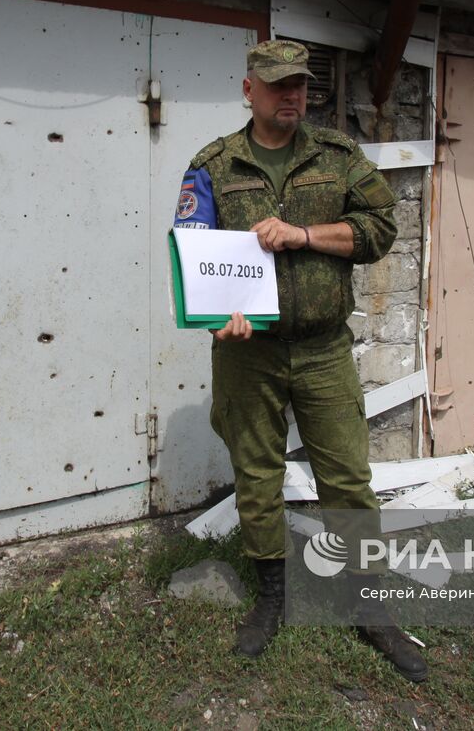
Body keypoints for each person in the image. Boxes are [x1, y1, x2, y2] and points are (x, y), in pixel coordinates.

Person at [174, 39, 427, 682]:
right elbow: (194, 250)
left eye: (301, 85)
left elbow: (380, 227)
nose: (292, 95)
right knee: (257, 477)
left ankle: (371, 607)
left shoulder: (338, 158)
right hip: (247, 355)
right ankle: (272, 600)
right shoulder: (212, 165)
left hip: (322, 350)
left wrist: (305, 235)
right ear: (248, 88)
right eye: (278, 84)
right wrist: (215, 315)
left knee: (347, 478)